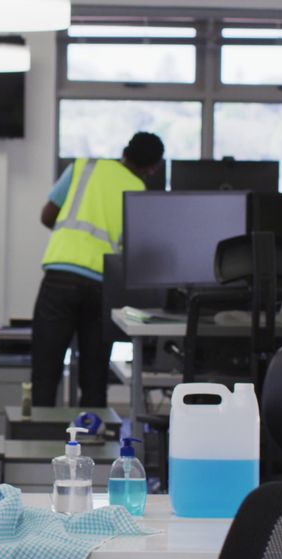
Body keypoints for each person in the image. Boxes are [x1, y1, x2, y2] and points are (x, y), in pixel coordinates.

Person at [31, 132, 165, 408]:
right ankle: (92, 441)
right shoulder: (138, 192)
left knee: (46, 371)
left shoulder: (85, 166)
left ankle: (35, 442)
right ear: (153, 167)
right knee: (94, 378)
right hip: (102, 287)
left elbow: (47, 216)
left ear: (125, 151)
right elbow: (136, 250)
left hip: (61, 277)